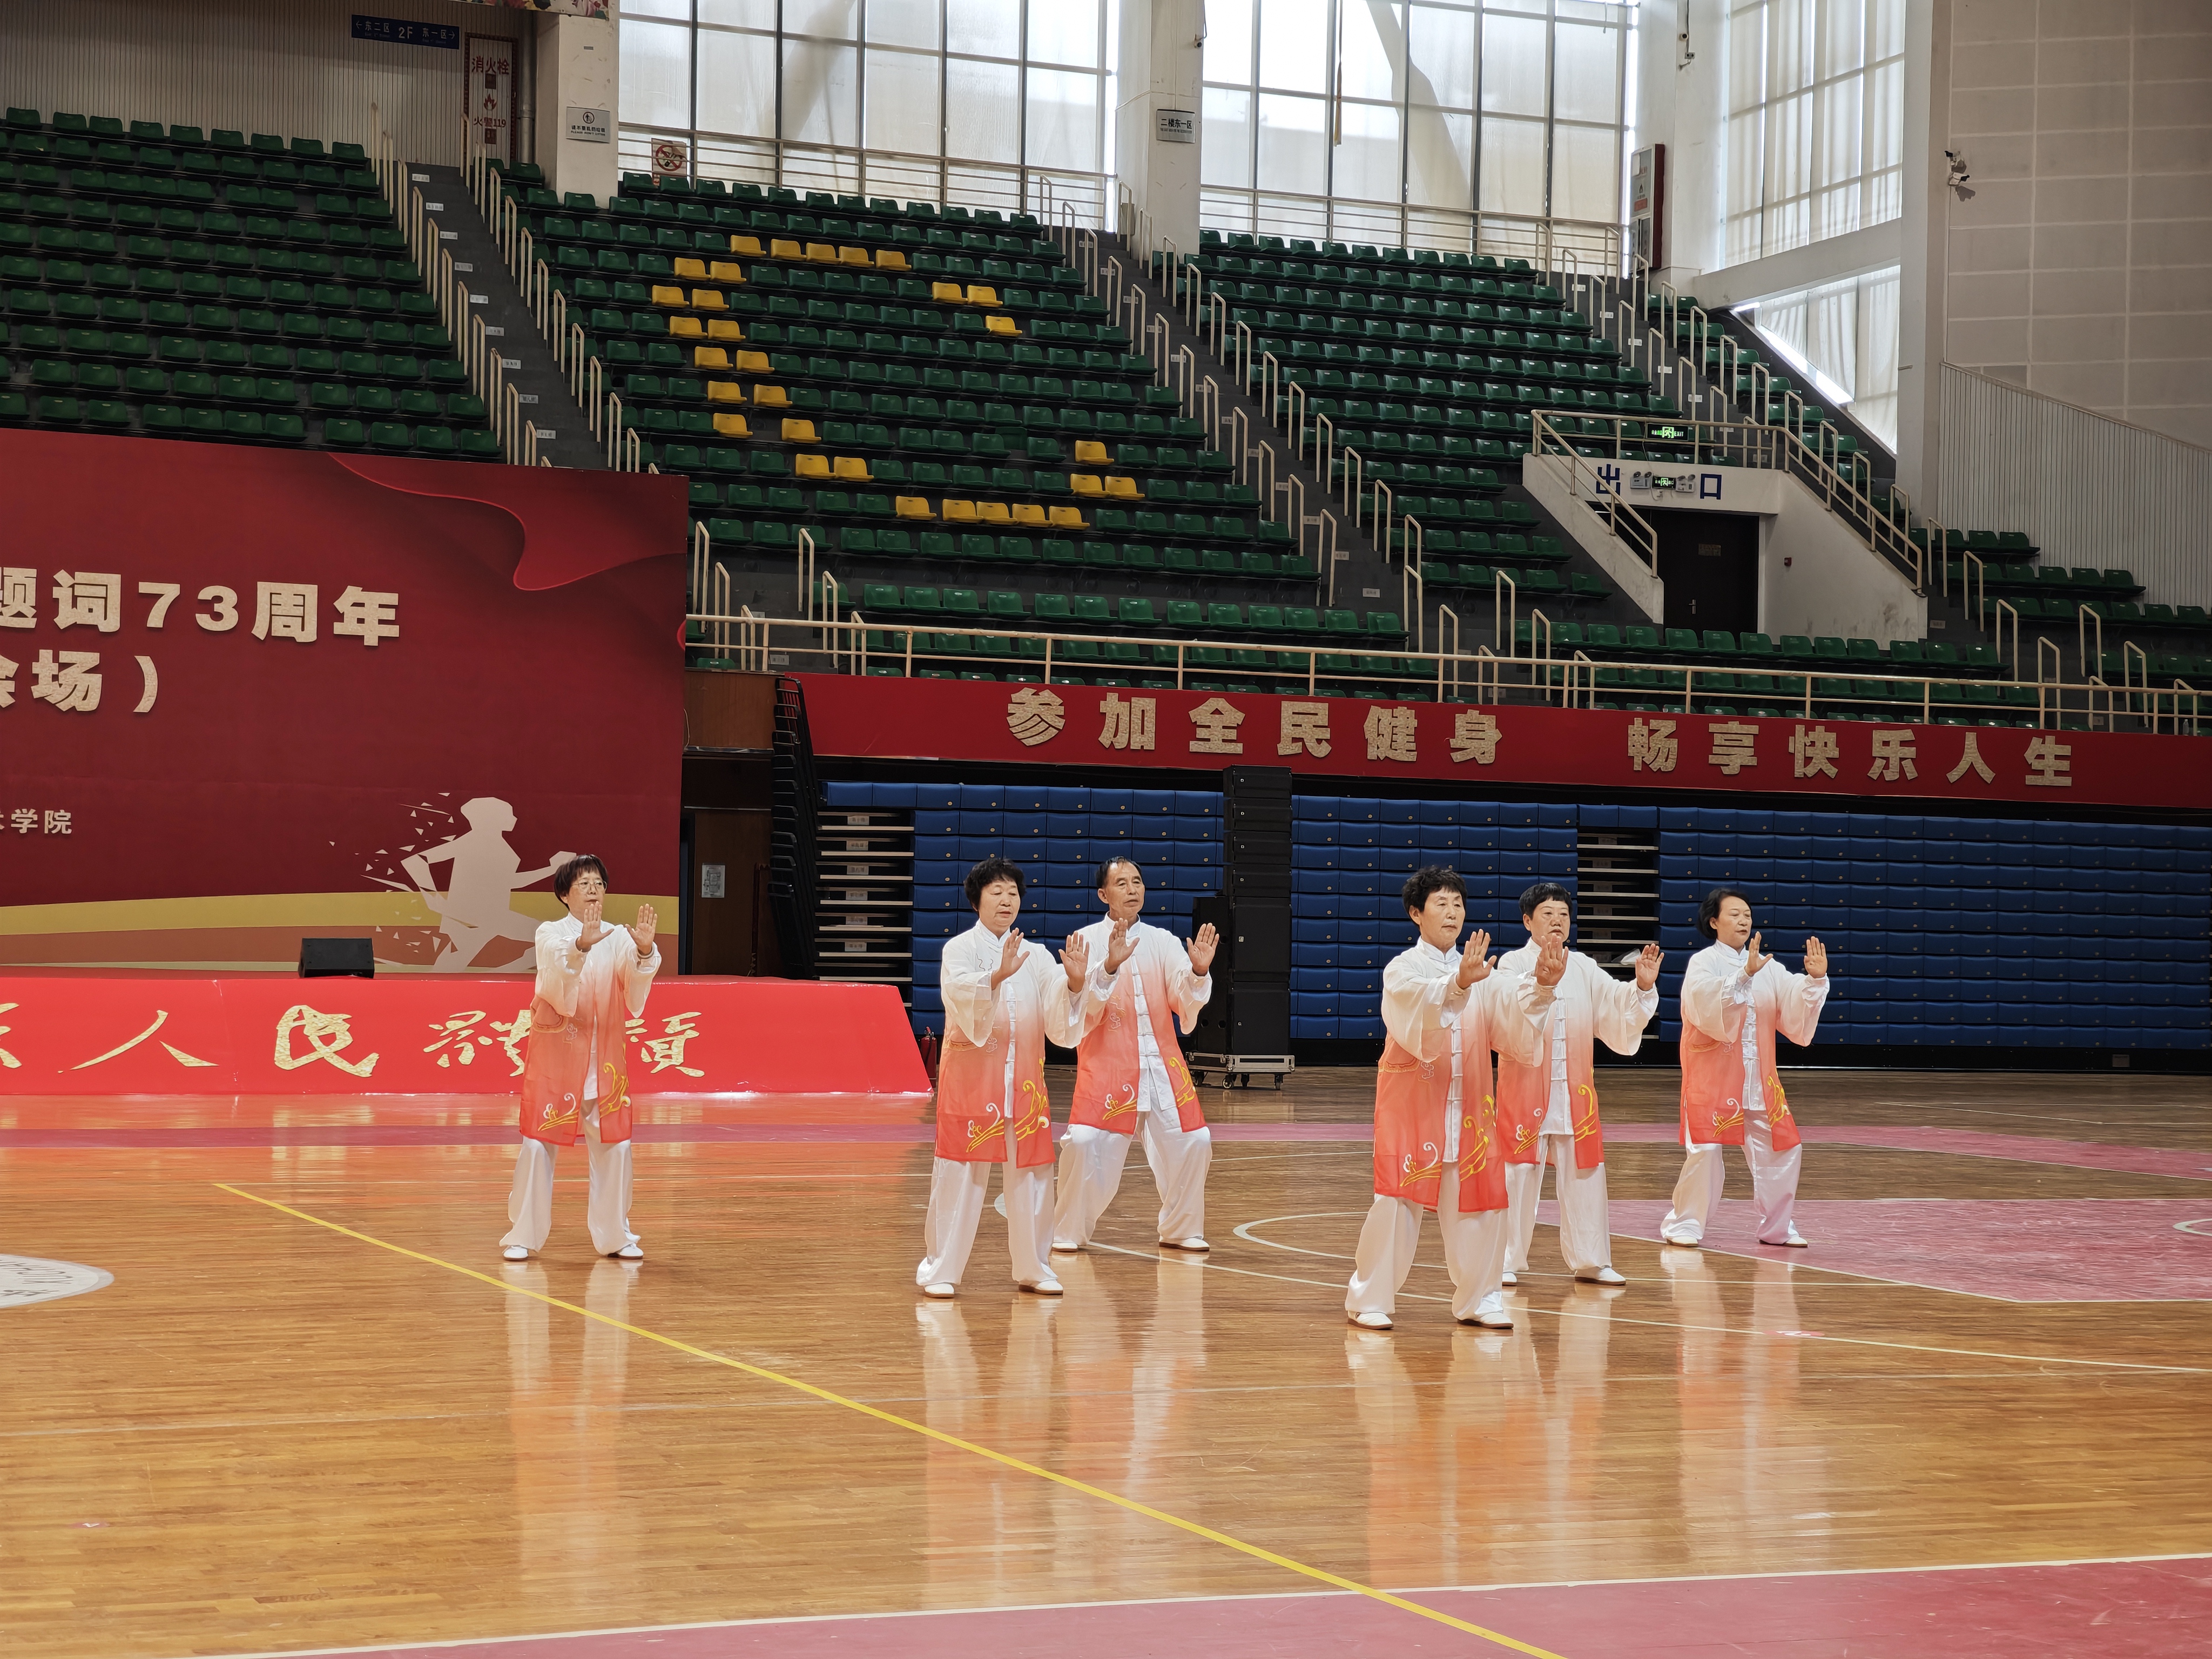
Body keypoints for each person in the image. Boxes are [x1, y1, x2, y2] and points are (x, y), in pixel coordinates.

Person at [1346, 866, 1537, 1332]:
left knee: (1481, 1203)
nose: (1453, 913)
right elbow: (1418, 1009)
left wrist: (1545, 989)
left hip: (1469, 1104)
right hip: (1412, 1107)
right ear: (1417, 913)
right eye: (1441, 904)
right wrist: (1459, 985)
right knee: (1396, 1202)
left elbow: (1513, 1022)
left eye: (1458, 904)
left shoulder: (1483, 972)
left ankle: (1481, 1298)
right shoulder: (1403, 968)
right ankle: (1370, 1298)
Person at [918, 856, 1087, 1299]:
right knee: (959, 1174)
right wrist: (996, 976)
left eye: (1013, 892)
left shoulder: (1037, 956)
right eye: (996, 892)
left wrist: (1074, 983)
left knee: (1032, 1174)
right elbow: (960, 997)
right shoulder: (959, 949)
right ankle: (940, 1269)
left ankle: (1035, 1268)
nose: (1007, 900)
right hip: (973, 1084)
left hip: (1024, 1084)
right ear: (977, 900)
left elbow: (1059, 1014)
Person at [1494, 882, 1661, 1287]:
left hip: (1574, 1091)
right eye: (1548, 914)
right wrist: (1542, 983)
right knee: (1517, 1173)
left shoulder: (1583, 966)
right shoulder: (1513, 964)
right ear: (1528, 921)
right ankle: (1504, 1260)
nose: (1557, 921)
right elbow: (1507, 1015)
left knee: (1585, 1172)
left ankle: (1591, 1260)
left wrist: (1641, 986)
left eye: (1564, 915)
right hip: (1525, 1089)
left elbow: (1616, 1005)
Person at [1051, 857, 1220, 1255]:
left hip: (1162, 1066)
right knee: (1084, 1142)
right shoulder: (1085, 941)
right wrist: (1109, 966)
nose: (1132, 889)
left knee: (1196, 1140)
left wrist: (1198, 972)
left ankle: (1181, 1229)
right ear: (1103, 894)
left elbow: (1184, 996)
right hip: (1108, 1067)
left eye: (1137, 882)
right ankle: (1068, 1231)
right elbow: (1082, 1010)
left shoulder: (1162, 941)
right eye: (1122, 883)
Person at [501, 855, 660, 1262]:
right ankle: (523, 1234)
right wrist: (581, 946)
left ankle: (615, 1236)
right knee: (538, 1145)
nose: (593, 890)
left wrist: (644, 951)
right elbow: (555, 977)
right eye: (584, 883)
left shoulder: (618, 936)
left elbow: (634, 986)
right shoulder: (551, 932)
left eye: (599, 883)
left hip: (604, 1060)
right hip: (558, 1061)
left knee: (616, 1147)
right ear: (564, 894)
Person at [1661, 887, 1830, 1249]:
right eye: (1734, 914)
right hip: (1714, 1079)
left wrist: (1814, 980)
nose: (1743, 921)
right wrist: (1742, 976)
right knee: (1706, 1151)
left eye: (1747, 916)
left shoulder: (1769, 967)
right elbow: (1704, 1005)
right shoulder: (1704, 963)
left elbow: (1793, 1004)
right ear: (1714, 921)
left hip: (1759, 1078)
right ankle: (1685, 1222)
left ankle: (1778, 1226)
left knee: (1783, 1148)